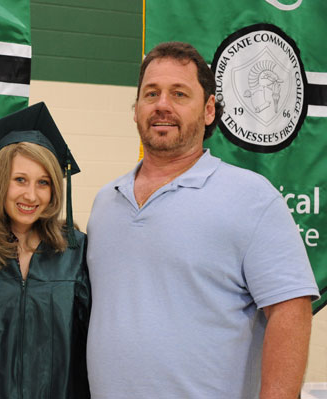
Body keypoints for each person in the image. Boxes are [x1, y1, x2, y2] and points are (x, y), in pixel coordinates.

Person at [86, 42, 320, 399]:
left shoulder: (252, 197)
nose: (162, 104)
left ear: (209, 110)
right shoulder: (106, 203)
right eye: (151, 93)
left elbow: (291, 311)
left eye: (179, 93)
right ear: (136, 110)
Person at [0, 102, 91, 399]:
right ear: (0, 183)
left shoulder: (76, 254)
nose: (31, 195)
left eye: (43, 183)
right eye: (20, 180)